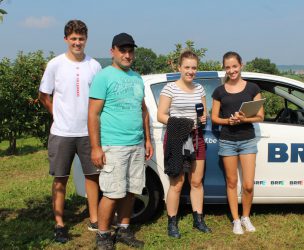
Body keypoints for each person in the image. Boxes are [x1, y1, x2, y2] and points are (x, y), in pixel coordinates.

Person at [88, 32, 153, 250]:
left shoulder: (136, 77)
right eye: (122, 50)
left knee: (132, 190)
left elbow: (143, 110)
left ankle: (124, 230)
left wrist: (147, 140)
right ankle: (103, 236)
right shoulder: (104, 77)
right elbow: (93, 114)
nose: (127, 55)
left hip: (135, 144)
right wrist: (96, 148)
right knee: (112, 193)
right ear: (113, 51)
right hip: (113, 145)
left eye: (130, 51)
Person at [38, 19, 101, 243]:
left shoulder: (94, 65)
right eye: (73, 38)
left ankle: (95, 219)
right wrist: (57, 113)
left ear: (86, 40)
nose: (77, 43)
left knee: (93, 176)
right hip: (62, 132)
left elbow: (99, 98)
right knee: (60, 178)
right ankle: (59, 224)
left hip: (88, 132)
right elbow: (44, 94)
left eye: (81, 39)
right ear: (66, 39)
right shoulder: (55, 64)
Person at [157, 50, 211, 239]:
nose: (190, 71)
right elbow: (161, 115)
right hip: (176, 138)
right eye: (187, 67)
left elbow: (203, 114)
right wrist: (183, 123)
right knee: (177, 183)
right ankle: (172, 223)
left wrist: (203, 117)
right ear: (179, 67)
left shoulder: (200, 89)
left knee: (196, 182)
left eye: (194, 68)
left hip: (196, 138)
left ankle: (198, 220)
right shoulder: (170, 89)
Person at [211, 51, 264, 235]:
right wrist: (229, 121)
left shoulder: (253, 88)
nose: (232, 70)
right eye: (228, 67)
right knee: (232, 182)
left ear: (241, 65)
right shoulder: (219, 91)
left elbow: (260, 116)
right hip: (227, 141)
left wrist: (243, 119)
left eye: (234, 66)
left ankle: (246, 217)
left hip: (248, 140)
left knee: (248, 184)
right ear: (224, 69)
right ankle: (235, 220)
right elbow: (215, 118)